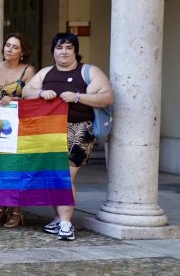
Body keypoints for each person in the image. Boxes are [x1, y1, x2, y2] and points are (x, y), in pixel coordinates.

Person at [23, 33, 113, 242]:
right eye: (59, 47)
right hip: (51, 131)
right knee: (55, 176)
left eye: (68, 47)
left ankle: (66, 223)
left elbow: (107, 97)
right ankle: (58, 218)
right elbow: (26, 91)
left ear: (75, 51)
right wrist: (40, 93)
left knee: (65, 176)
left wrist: (78, 97)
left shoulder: (88, 71)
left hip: (80, 130)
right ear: (53, 51)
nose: (63, 52)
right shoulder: (46, 73)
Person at [0, 33, 37, 228]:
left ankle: (16, 210)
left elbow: (32, 98)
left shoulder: (28, 71)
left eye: (15, 47)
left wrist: (17, 100)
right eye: (7, 45)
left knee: (16, 167)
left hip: (18, 125)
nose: (9, 49)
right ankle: (0, 207)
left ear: (22, 52)